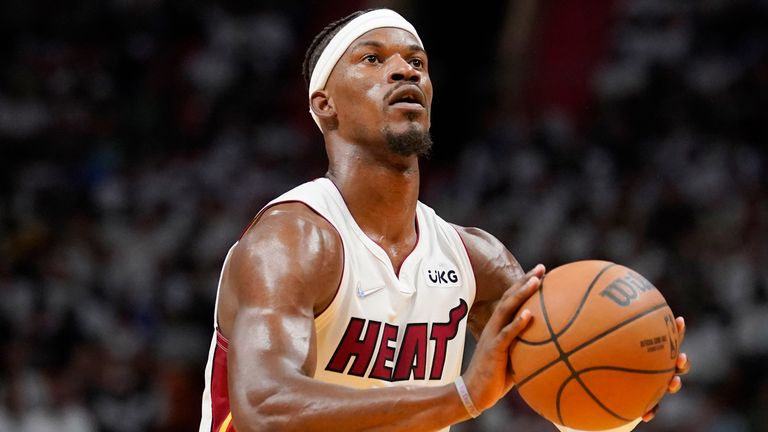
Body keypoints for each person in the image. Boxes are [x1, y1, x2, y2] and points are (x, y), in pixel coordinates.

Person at [199, 8, 690, 432]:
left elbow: (561, 379)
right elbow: (264, 409)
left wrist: (631, 387)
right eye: (373, 59)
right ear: (324, 105)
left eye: (416, 63)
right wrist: (462, 397)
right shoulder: (291, 240)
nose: (403, 71)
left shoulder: (476, 259)